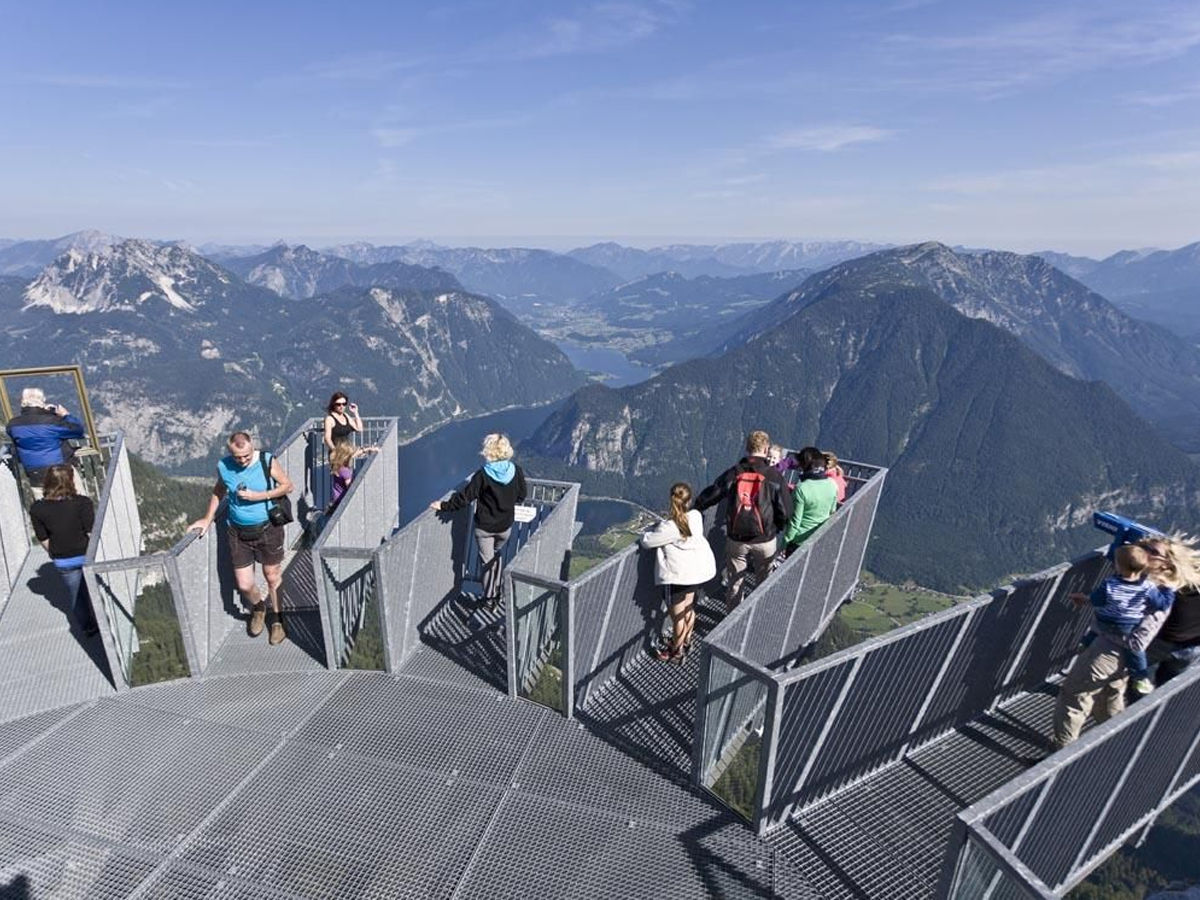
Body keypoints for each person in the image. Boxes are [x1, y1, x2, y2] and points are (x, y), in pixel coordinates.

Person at [188, 431, 294, 645]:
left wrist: (259, 496)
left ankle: (278, 621)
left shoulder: (266, 461)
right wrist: (207, 519)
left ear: (252, 447)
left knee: (272, 577)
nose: (243, 460)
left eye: (246, 455)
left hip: (268, 528)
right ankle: (258, 607)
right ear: (230, 452)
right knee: (245, 584)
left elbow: (287, 486)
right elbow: (218, 491)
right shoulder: (224, 466)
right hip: (238, 532)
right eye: (239, 457)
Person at [695, 430, 793, 610]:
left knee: (735, 581)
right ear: (765, 449)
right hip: (765, 539)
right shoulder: (773, 476)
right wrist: (776, 528)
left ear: (748, 449)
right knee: (763, 580)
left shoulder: (735, 472)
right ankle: (757, 612)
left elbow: (714, 493)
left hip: (737, 538)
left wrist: (695, 508)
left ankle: (732, 620)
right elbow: (785, 511)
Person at [429, 433, 527, 610]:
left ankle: (491, 597)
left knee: (487, 562)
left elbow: (464, 498)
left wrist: (444, 506)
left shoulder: (483, 475)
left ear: (489, 451)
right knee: (494, 557)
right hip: (505, 527)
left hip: (485, 528)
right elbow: (521, 496)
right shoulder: (516, 470)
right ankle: (496, 589)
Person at [1070, 544, 1174, 695]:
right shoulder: (1148, 587)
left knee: (1097, 631)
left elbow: (1097, 600)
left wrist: (1084, 599)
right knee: (1135, 650)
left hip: (1103, 622)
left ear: (1118, 567)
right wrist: (1168, 589)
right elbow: (1161, 605)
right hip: (1126, 627)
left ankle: (1085, 643)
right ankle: (1140, 677)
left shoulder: (1109, 583)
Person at [641, 483, 717, 663]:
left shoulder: (670, 527)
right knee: (688, 609)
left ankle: (676, 652)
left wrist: (650, 530)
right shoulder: (696, 516)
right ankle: (686, 641)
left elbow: (647, 542)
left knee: (677, 617)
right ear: (689, 500)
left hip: (678, 576)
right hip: (696, 572)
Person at [28, 465, 99, 636]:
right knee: (96, 591)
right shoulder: (83, 503)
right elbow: (91, 532)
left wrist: (54, 553)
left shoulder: (37, 509)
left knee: (76, 596)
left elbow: (43, 538)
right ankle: (104, 622)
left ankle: (88, 627)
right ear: (71, 481)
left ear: (47, 482)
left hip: (63, 559)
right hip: (86, 554)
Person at [1137, 536, 1200, 686]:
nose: (1145, 553)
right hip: (1191, 646)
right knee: (1165, 686)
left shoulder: (1163, 584)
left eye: (1151, 551)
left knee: (1137, 680)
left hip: (1160, 641)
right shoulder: (1192, 577)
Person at [5, 387, 86, 500]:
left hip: (35, 473)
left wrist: (45, 413)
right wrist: (65, 415)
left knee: (45, 509)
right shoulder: (52, 422)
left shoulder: (13, 425)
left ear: (22, 402)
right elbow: (78, 431)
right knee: (78, 502)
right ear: (42, 401)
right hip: (60, 470)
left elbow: (31, 432)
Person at [782, 446, 839, 551]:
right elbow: (832, 511)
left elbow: (795, 521)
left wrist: (784, 544)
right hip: (818, 538)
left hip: (798, 541)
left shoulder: (801, 489)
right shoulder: (832, 485)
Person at [328, 441, 356, 511]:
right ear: (346, 457)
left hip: (336, 498)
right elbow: (350, 486)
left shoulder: (337, 467)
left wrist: (365, 450)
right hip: (344, 501)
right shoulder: (345, 471)